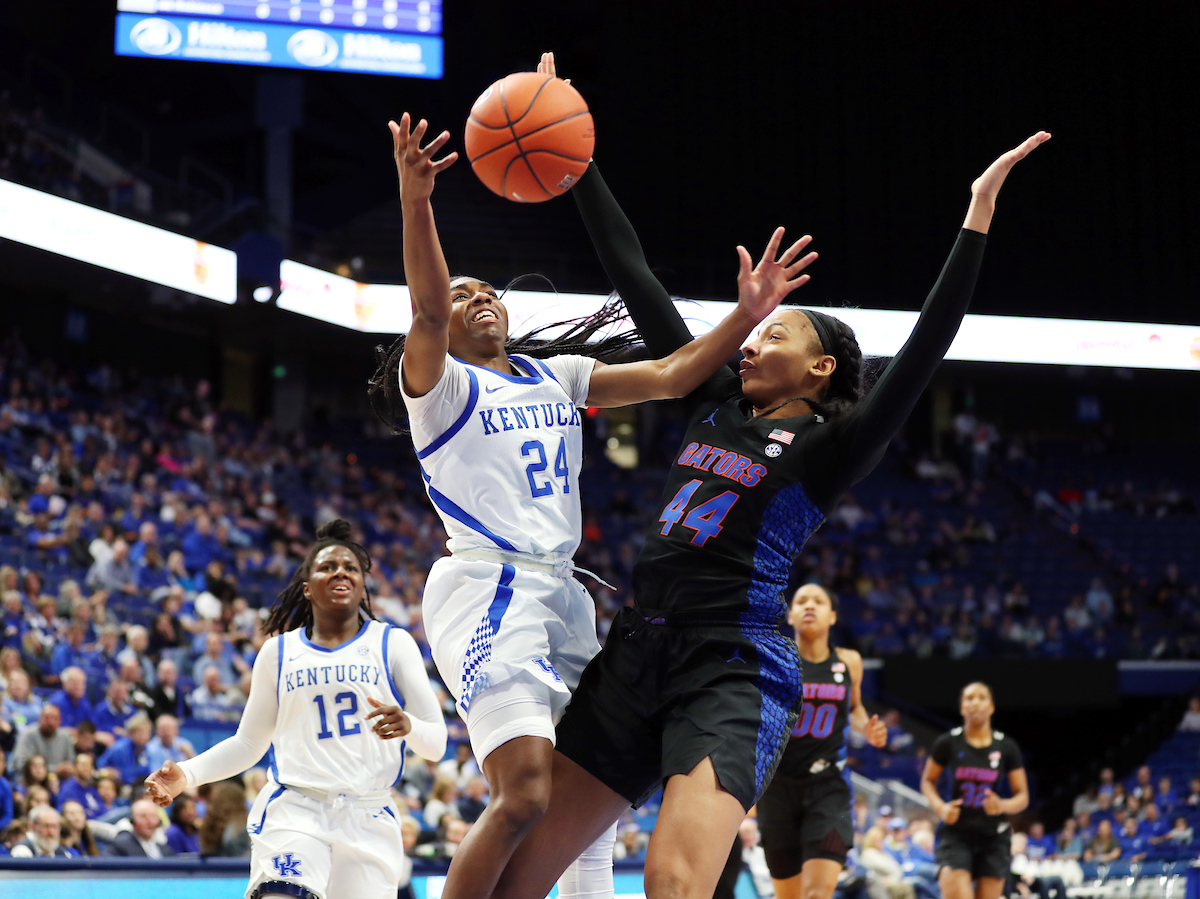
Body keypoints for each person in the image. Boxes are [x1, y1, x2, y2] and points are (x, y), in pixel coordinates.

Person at [491, 53, 1048, 899]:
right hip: (636, 649)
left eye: (774, 334)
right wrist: (572, 153)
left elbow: (927, 345)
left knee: (671, 882)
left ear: (820, 368)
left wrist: (976, 214)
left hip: (736, 665)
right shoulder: (710, 396)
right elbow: (634, 275)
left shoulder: (831, 447)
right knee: (516, 875)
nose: (750, 342)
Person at [370, 72, 815, 899]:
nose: (477, 299)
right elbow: (427, 310)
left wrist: (746, 315)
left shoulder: (555, 372)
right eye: (463, 294)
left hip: (564, 592)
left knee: (590, 804)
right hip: (487, 585)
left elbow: (680, 373)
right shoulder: (439, 387)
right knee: (527, 794)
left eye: (485, 289)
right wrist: (416, 198)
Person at [145, 520, 448, 899]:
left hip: (368, 816)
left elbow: (436, 744)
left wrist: (409, 726)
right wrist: (187, 775)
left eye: (351, 568)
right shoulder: (278, 652)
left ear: (362, 585)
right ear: (307, 588)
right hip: (297, 808)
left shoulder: (393, 644)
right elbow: (247, 744)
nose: (340, 571)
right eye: (327, 567)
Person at [757, 584, 888, 899]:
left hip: (828, 786)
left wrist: (866, 728)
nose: (809, 606)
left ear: (833, 616)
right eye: (801, 601)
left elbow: (854, 708)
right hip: (777, 788)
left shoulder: (849, 661)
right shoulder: (773, 660)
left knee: (817, 893)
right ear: (790, 615)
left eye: (819, 601)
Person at [920, 683, 1029, 899]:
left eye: (982, 697)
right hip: (957, 832)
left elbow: (1023, 796)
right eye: (969, 698)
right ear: (962, 708)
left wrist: (1003, 805)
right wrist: (941, 807)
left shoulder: (1006, 747)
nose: (975, 702)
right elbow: (927, 781)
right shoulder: (948, 742)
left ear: (991, 707)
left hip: (994, 836)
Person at [107, 798, 174, 858]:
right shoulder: (120, 845)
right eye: (143, 816)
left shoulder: (166, 850)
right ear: (132, 821)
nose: (149, 821)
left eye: (153, 816)